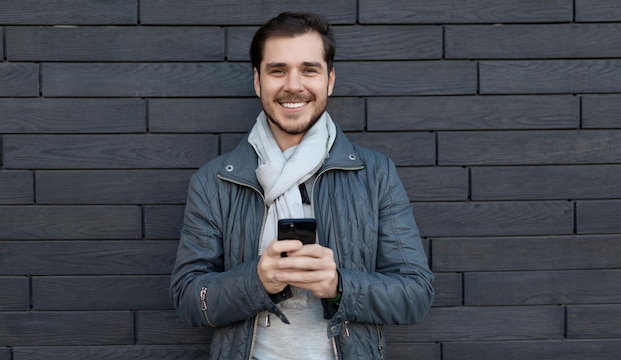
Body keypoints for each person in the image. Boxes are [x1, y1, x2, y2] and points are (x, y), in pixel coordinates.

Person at [170, 12, 434, 360]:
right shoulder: (214, 181)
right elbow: (189, 298)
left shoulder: (375, 174)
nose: (293, 85)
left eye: (309, 70)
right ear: (257, 81)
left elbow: (415, 296)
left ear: (330, 80)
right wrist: (257, 281)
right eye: (278, 70)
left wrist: (339, 287)